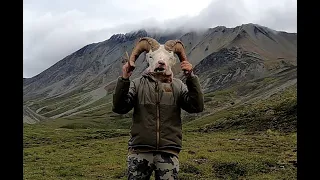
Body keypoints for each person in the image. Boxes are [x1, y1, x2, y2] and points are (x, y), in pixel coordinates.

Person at [112, 38, 204, 180]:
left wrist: (190, 77)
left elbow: (197, 107)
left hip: (168, 152)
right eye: (153, 57)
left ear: (172, 61)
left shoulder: (178, 86)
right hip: (139, 152)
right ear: (149, 59)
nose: (161, 61)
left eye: (168, 58)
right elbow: (119, 107)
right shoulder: (137, 85)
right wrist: (124, 79)